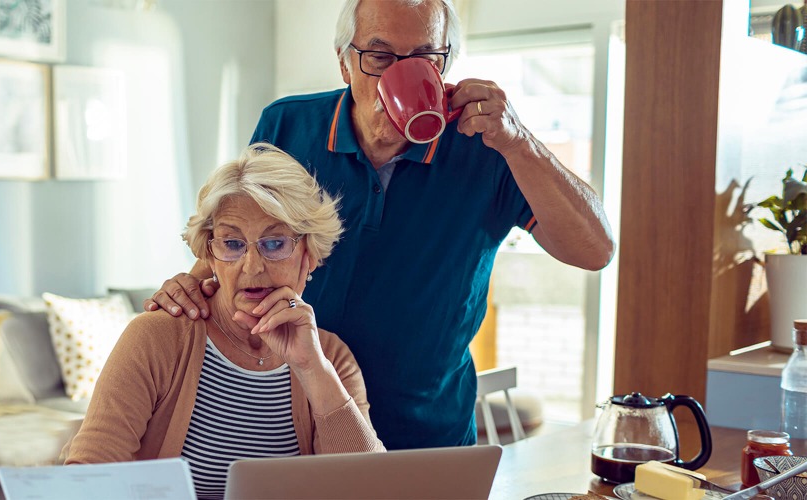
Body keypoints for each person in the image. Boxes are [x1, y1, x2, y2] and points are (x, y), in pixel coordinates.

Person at [144, 0, 614, 450]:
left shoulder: (488, 146)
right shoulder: (288, 126)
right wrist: (192, 282)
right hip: (296, 428)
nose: (398, 75)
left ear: (445, 65)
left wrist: (520, 141)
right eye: (380, 55)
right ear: (344, 63)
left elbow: (596, 251)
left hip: (428, 437)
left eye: (424, 57)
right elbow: (242, 238)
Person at [66, 144, 385, 499]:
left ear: (308, 255)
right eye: (232, 244)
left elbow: (370, 488)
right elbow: (87, 478)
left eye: (274, 243)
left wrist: (312, 369)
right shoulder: (157, 337)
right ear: (210, 255)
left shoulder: (331, 359)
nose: (252, 266)